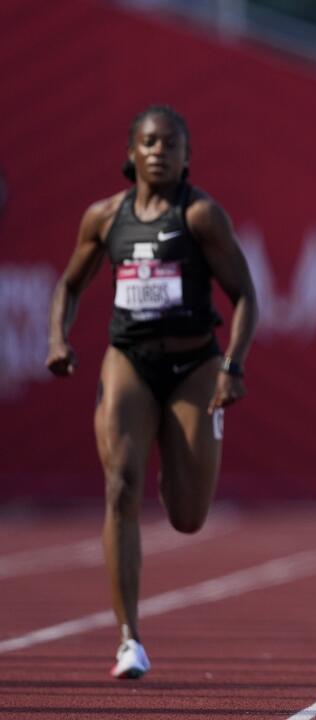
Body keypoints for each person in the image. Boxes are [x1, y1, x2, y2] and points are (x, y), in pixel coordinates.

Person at [45, 106, 258, 678]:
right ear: (131, 153)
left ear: (188, 155)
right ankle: (128, 638)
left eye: (170, 143)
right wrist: (57, 339)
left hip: (194, 365)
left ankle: (175, 458)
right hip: (130, 361)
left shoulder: (201, 216)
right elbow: (68, 285)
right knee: (119, 487)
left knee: (188, 518)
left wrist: (232, 366)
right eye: (148, 142)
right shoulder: (104, 218)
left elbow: (246, 297)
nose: (159, 151)